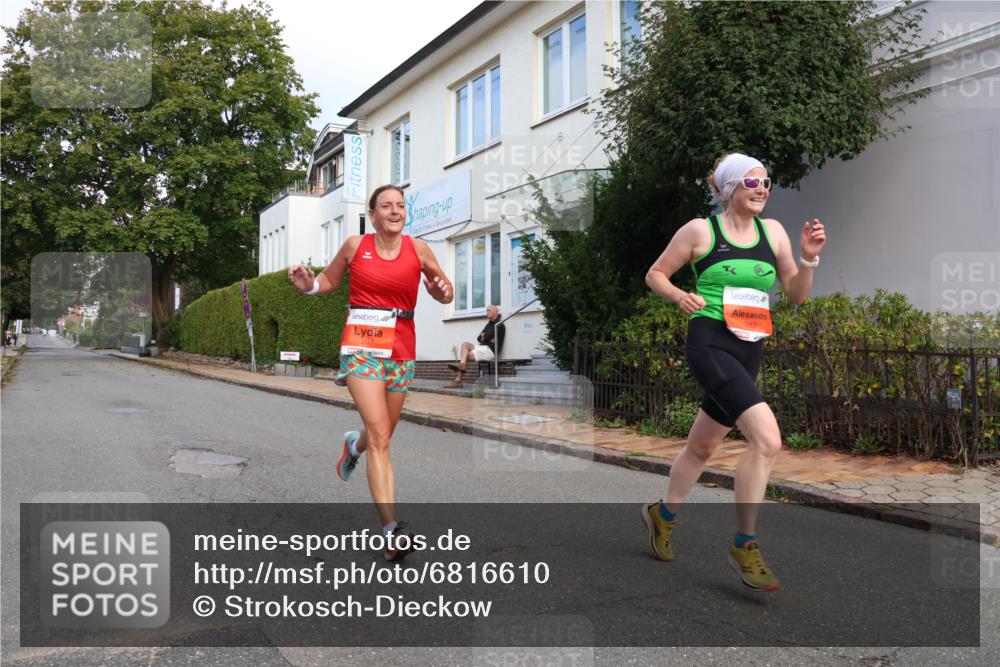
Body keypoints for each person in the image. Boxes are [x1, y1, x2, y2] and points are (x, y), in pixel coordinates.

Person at [641, 153, 826, 591]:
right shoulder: (701, 231)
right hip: (709, 343)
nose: (762, 188)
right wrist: (679, 295)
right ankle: (746, 543)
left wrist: (809, 260)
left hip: (749, 349)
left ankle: (662, 515)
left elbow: (796, 296)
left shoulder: (774, 232)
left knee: (703, 446)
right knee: (768, 439)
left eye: (766, 181)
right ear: (729, 188)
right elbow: (655, 274)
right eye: (751, 181)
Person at [288, 184, 453, 561]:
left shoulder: (419, 249)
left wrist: (440, 291)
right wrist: (308, 286)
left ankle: (352, 447)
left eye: (400, 205)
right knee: (380, 432)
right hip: (362, 344)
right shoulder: (354, 247)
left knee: (382, 433)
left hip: (401, 349)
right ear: (373, 214)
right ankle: (392, 530)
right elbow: (326, 282)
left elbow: (446, 292)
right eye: (386, 206)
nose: (394, 211)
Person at [444, 304, 505, 388]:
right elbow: (479, 338)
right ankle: (462, 366)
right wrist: (486, 337)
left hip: (490, 350)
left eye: (489, 310)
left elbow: (485, 336)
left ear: (495, 312)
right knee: (465, 344)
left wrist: (485, 336)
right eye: (486, 310)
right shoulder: (489, 325)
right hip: (483, 346)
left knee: (467, 356)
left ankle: (458, 380)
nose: (486, 312)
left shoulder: (499, 325)